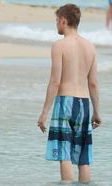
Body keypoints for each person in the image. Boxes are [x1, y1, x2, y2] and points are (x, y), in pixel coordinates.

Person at [37, 4, 101, 183]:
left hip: (65, 102)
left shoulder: (60, 46)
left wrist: (44, 113)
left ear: (64, 21)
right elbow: (94, 84)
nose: (56, 24)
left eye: (57, 21)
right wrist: (97, 112)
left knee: (64, 155)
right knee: (83, 159)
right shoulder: (90, 47)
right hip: (84, 104)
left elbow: (55, 82)